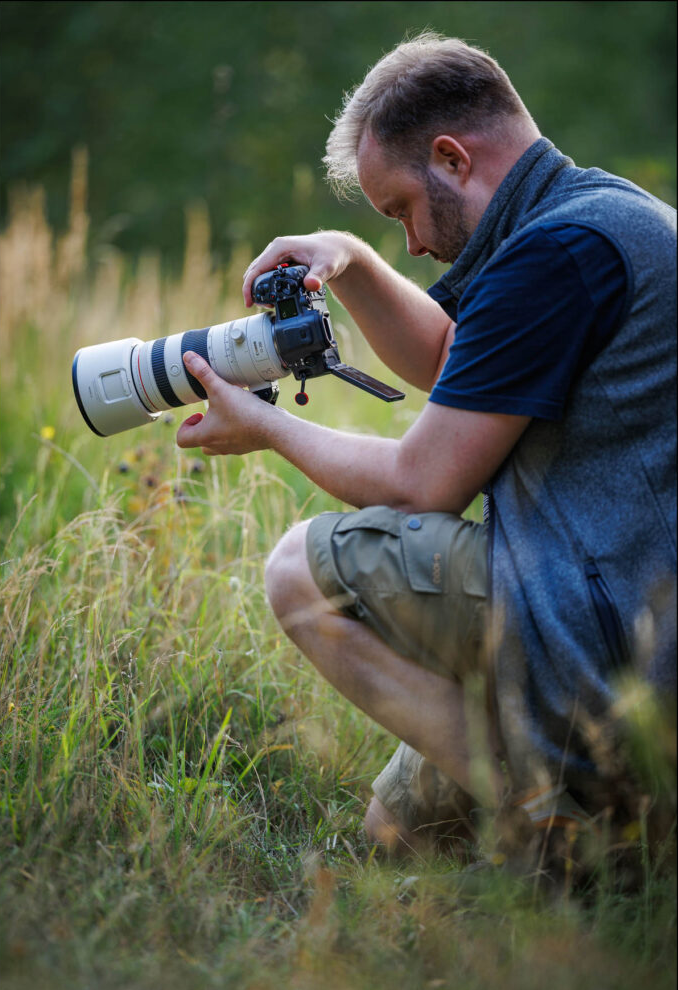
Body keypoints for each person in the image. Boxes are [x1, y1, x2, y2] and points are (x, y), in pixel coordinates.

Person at [177, 34, 676, 870]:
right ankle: (567, 811)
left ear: (451, 157)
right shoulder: (600, 218)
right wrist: (354, 264)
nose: (411, 241)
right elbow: (459, 362)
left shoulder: (553, 257)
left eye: (400, 210)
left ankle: (590, 844)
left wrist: (263, 426)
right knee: (396, 835)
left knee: (299, 571)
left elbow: (422, 487)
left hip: (616, 649)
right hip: (615, 605)